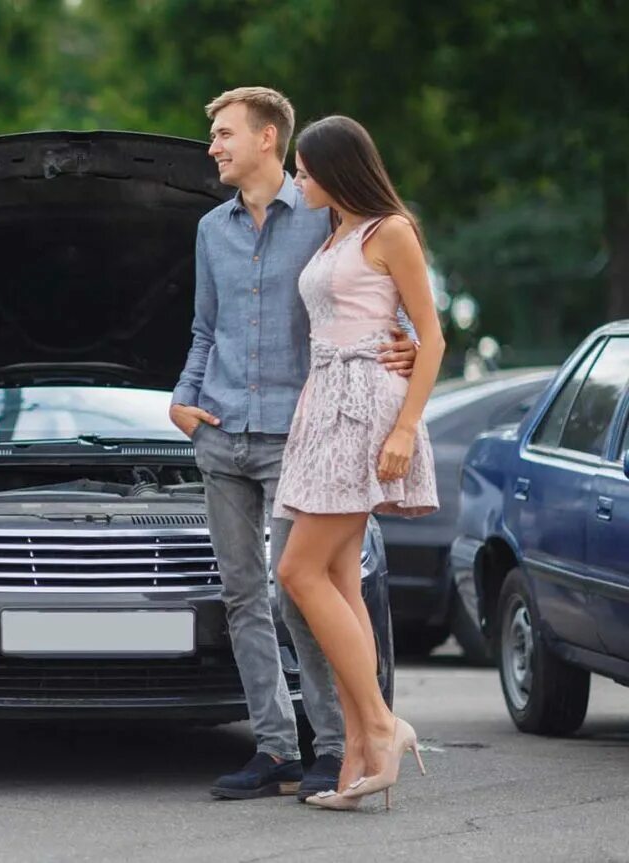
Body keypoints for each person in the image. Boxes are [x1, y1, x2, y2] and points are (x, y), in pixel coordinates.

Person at [170, 87, 418, 802]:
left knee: (298, 593)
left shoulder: (321, 215)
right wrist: (184, 399)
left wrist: (398, 346)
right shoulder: (210, 229)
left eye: (223, 134)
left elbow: (374, 293)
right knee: (243, 595)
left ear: (268, 138)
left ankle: (337, 740)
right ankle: (275, 748)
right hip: (221, 433)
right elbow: (204, 329)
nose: (212, 146)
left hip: (303, 435)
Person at [274, 114, 441, 811]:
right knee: (338, 578)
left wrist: (404, 428)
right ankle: (359, 757)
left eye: (306, 169)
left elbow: (430, 339)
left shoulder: (389, 230)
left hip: (364, 408)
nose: (299, 179)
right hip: (321, 406)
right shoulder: (333, 233)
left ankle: (382, 722)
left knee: (297, 572)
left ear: (338, 169)